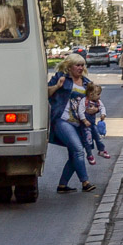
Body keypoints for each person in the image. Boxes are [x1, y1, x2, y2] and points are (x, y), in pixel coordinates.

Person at [48, 52, 97, 193]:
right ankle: (85, 182)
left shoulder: (87, 83)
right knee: (78, 150)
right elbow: (46, 92)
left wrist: (94, 110)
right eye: (77, 65)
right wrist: (57, 86)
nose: (81, 68)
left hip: (80, 124)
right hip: (62, 121)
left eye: (82, 65)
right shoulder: (61, 78)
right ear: (69, 67)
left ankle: (62, 186)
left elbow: (93, 103)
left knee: (74, 154)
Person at [78, 83, 110, 164]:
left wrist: (103, 114)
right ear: (91, 94)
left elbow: (102, 107)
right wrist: (84, 120)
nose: (99, 96)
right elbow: (80, 111)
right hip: (85, 125)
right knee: (88, 139)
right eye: (98, 94)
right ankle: (89, 154)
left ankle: (101, 150)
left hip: (92, 123)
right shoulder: (84, 101)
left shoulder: (98, 102)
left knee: (98, 137)